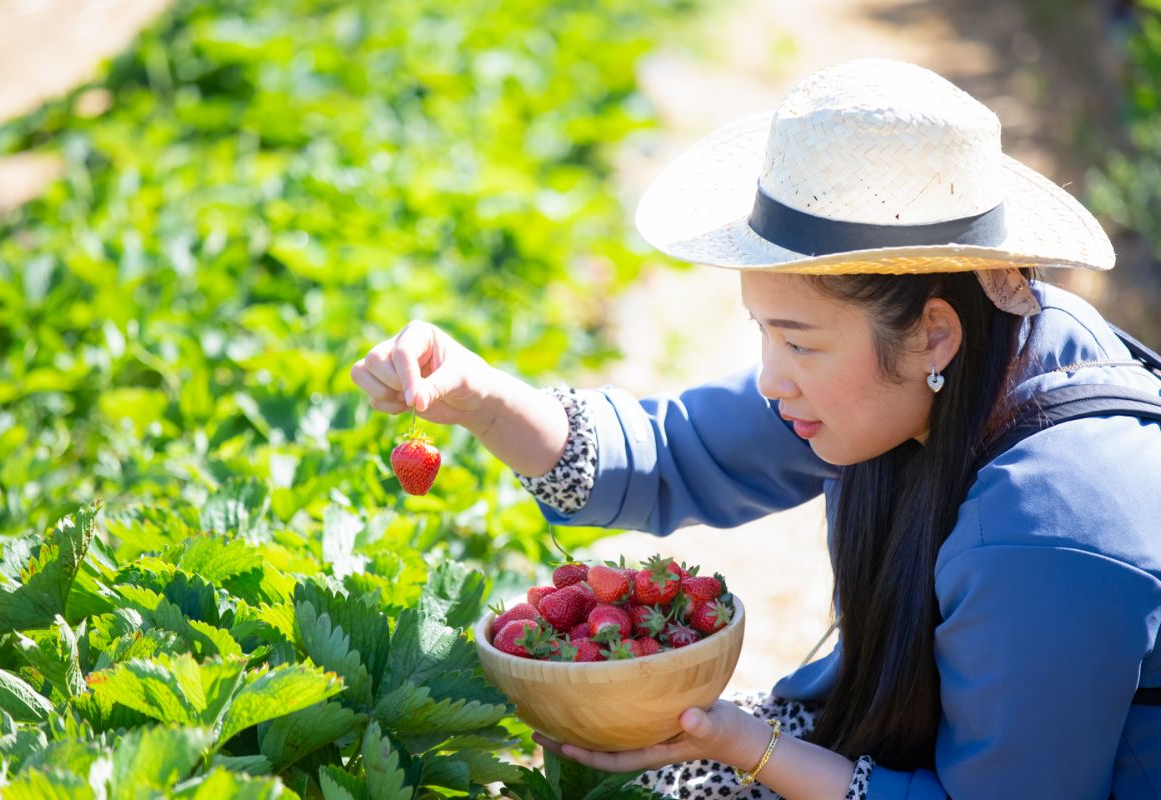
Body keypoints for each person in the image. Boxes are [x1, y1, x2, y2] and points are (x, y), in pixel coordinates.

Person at [351, 59, 1161, 799]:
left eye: (799, 341)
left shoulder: (1049, 534)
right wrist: (481, 398)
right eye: (764, 331)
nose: (772, 379)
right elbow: (674, 454)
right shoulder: (983, 343)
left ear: (932, 335)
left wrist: (749, 746)